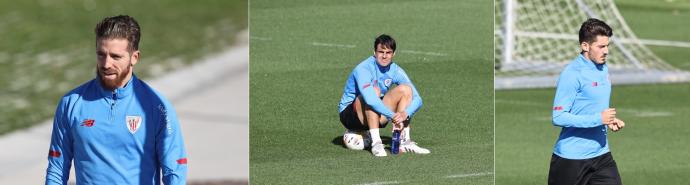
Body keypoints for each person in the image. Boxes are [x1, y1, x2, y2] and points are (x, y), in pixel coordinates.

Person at [45, 15, 187, 185]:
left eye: (115, 56)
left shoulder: (158, 108)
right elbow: (57, 168)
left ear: (135, 57)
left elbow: (174, 171)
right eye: (101, 54)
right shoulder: (71, 104)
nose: (106, 64)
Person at [548, 18, 626, 185]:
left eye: (607, 46)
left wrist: (609, 120)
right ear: (585, 46)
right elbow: (558, 117)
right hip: (571, 160)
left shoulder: (603, 69)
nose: (606, 51)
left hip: (601, 156)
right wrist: (598, 119)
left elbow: (593, 107)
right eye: (600, 46)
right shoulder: (572, 73)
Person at [338, 34, 430, 157]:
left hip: (376, 111)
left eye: (388, 52)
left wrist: (404, 114)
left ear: (394, 54)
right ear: (374, 52)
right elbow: (370, 99)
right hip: (350, 114)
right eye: (381, 52)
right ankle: (376, 143)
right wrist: (393, 116)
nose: (385, 56)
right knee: (374, 92)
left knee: (406, 90)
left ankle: (404, 141)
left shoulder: (395, 70)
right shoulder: (363, 68)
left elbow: (418, 99)